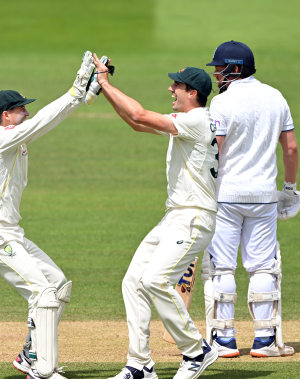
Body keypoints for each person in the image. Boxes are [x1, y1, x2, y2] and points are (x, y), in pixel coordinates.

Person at [0, 52, 98, 379]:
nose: (27, 113)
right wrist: (74, 91)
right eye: (21, 109)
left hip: (11, 232)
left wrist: (88, 92)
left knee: (56, 284)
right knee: (42, 293)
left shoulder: (14, 140)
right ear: (6, 116)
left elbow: (46, 121)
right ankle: (44, 369)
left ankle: (30, 354)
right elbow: (43, 121)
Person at [93, 54, 220, 379]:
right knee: (133, 282)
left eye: (176, 85)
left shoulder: (197, 120)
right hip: (175, 216)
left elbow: (138, 112)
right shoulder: (188, 124)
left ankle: (196, 350)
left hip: (193, 218)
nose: (170, 88)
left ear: (192, 92)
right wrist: (103, 89)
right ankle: (140, 365)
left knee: (155, 280)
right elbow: (136, 123)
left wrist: (106, 82)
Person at [201, 40, 300, 358]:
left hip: (226, 196)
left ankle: (223, 340)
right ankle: (264, 340)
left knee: (222, 269)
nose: (216, 74)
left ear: (234, 68)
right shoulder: (276, 97)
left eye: (219, 68)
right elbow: (291, 149)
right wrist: (289, 188)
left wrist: (203, 186)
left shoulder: (221, 104)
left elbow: (214, 148)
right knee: (262, 267)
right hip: (264, 197)